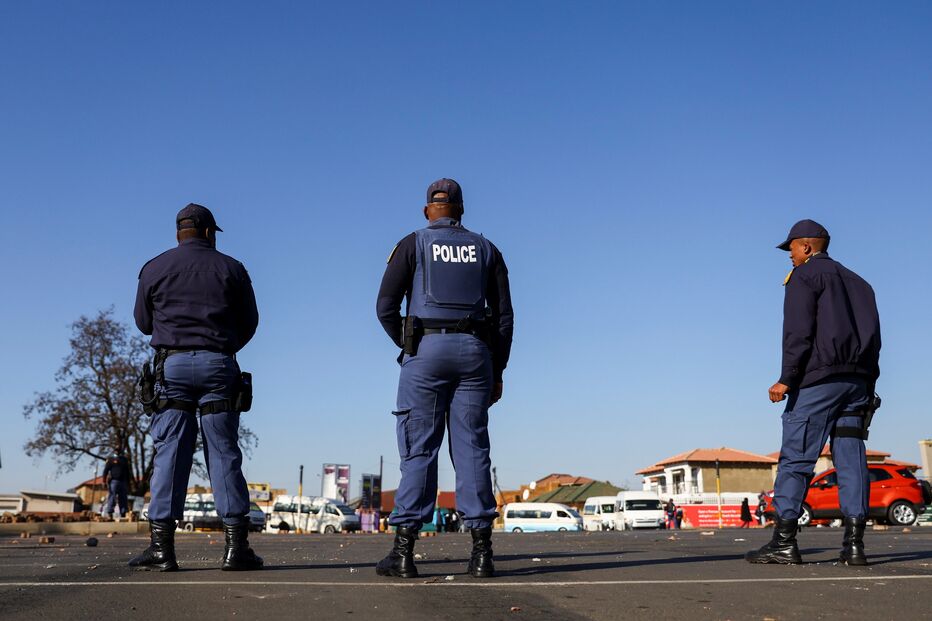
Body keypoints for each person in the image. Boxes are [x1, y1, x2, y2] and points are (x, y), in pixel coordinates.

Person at [375, 179, 514, 579]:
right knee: (472, 449)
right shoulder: (487, 249)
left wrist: (409, 342)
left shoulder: (412, 243)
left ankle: (404, 554)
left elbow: (385, 305)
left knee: (419, 449)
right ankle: (482, 553)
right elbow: (504, 317)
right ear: (461, 211)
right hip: (475, 356)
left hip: (426, 351)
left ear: (427, 211)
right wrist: (498, 370)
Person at [130, 203, 262, 572]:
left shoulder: (153, 268)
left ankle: (162, 549)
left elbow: (143, 323)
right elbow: (250, 321)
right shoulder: (232, 269)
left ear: (178, 232)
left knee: (169, 453)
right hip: (218, 364)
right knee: (223, 453)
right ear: (208, 232)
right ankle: (236, 550)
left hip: (170, 368)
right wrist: (223, 345)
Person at [746, 220, 880, 567]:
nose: (788, 255)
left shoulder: (804, 277)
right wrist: (870, 386)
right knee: (851, 460)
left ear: (806, 247)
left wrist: (786, 378)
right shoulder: (861, 283)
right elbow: (875, 341)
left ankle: (784, 542)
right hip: (857, 383)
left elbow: (798, 332)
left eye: (790, 248)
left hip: (819, 381)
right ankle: (854, 547)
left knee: (797, 458)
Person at [102, 450, 130, 518]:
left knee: (123, 498)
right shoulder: (110, 460)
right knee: (112, 497)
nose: (118, 451)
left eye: (119, 449)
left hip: (123, 482)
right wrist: (104, 481)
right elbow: (105, 471)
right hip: (114, 481)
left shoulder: (124, 460)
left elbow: (127, 472)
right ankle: (110, 512)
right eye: (116, 450)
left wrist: (128, 483)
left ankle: (123, 512)